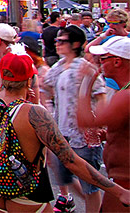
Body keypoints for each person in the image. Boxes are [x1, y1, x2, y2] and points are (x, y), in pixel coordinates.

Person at [0, 52, 130, 213]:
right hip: (27, 198)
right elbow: (71, 161)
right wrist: (119, 192)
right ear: (30, 79)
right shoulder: (35, 114)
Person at [42, 25, 106, 213]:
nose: (57, 44)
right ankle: (85, 203)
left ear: (75, 44)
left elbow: (100, 95)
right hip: (63, 134)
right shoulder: (58, 67)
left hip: (83, 136)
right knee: (64, 176)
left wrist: (99, 124)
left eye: (62, 41)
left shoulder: (85, 67)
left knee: (90, 185)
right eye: (57, 41)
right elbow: (46, 87)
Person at [78, 36, 130, 213]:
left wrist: (87, 82)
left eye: (103, 59)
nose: (99, 64)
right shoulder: (124, 93)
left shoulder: (125, 96)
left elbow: (84, 121)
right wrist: (109, 136)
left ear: (117, 62)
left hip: (125, 184)